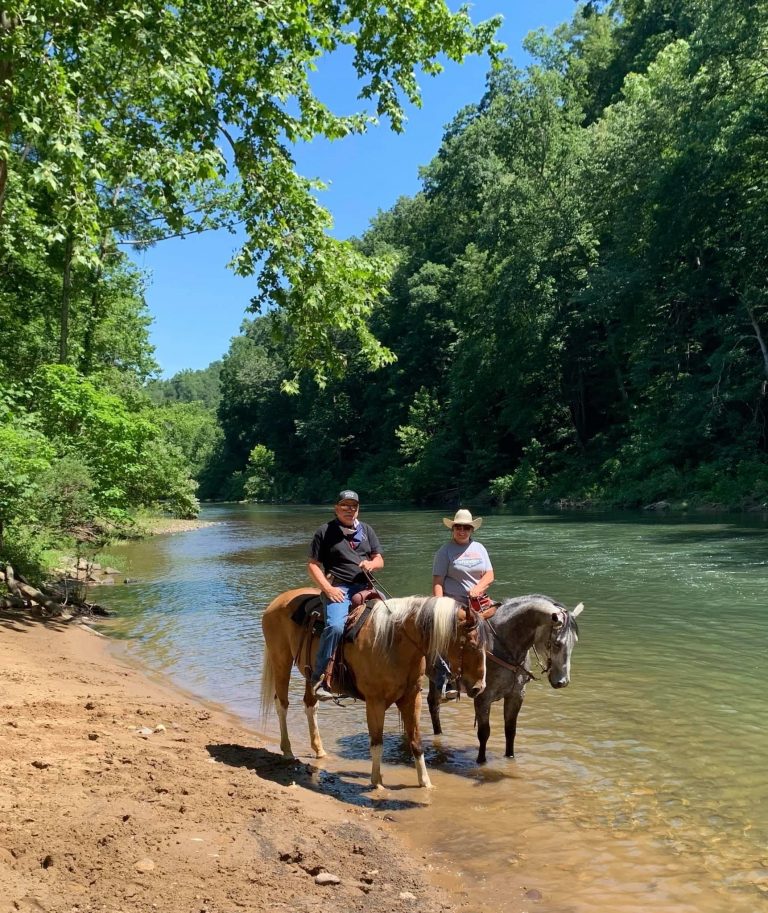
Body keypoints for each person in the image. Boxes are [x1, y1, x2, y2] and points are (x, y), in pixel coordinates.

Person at [307, 490, 384, 700]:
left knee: (393, 617)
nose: (350, 509)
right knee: (335, 626)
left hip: (364, 586)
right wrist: (328, 589)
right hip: (339, 587)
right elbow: (313, 565)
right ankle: (320, 677)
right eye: (345, 505)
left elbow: (379, 559)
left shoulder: (366, 530)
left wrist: (371, 564)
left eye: (354, 506)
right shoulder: (324, 531)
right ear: (336, 508)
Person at [431, 508, 494, 700]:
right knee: (450, 636)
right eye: (458, 527)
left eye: (466, 528)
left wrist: (479, 588)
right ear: (453, 529)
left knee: (497, 624)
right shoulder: (445, 551)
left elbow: (489, 575)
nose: (462, 531)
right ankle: (449, 679)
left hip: (478, 600)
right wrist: (440, 605)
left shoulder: (480, 548)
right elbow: (437, 582)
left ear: (471, 530)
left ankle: (494, 670)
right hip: (453, 601)